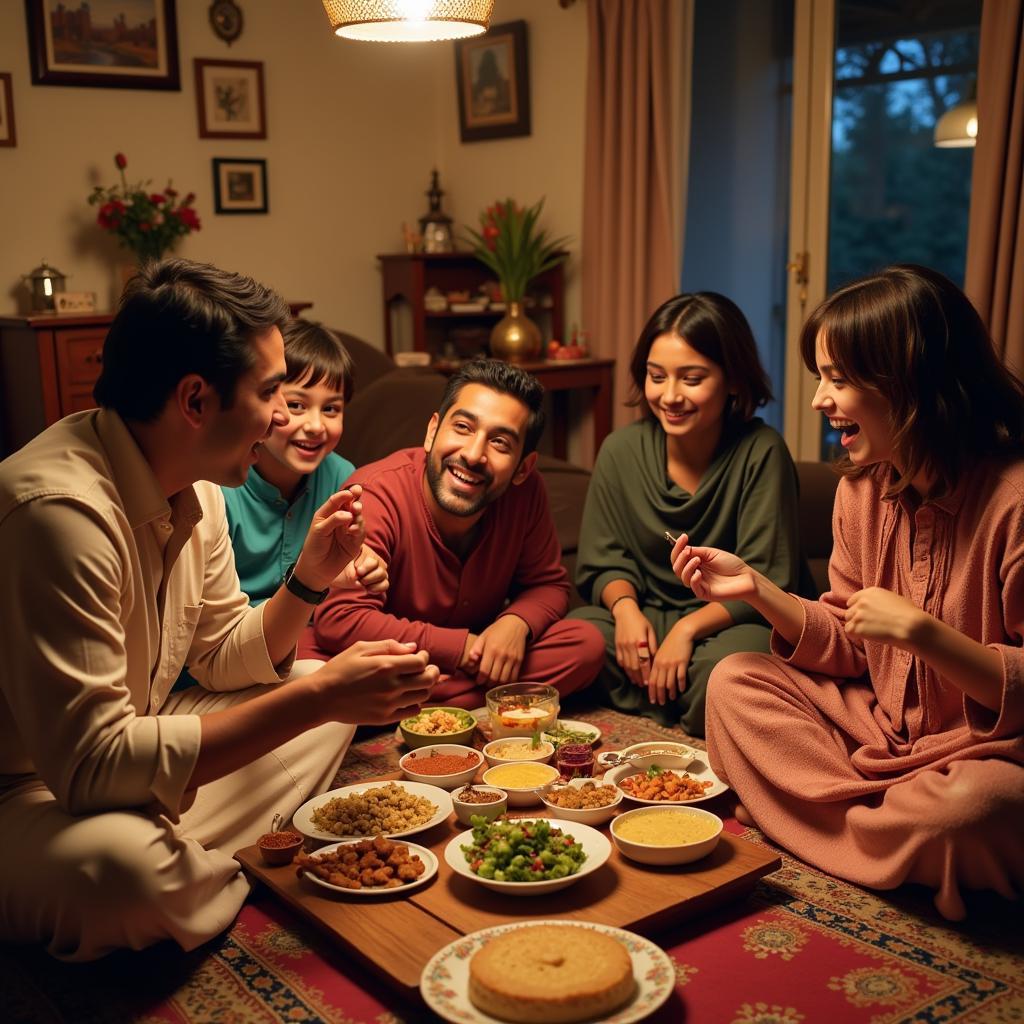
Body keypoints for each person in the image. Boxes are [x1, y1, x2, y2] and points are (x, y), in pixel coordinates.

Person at [0, 258, 439, 961]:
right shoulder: (58, 513)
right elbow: (87, 767)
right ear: (196, 401)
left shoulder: (195, 483)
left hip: (137, 743)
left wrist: (308, 582)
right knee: (127, 875)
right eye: (270, 392)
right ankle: (204, 863)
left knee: (314, 694)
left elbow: (220, 656)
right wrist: (321, 698)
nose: (280, 415)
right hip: (30, 792)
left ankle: (189, 852)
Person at [672, 265, 1024, 920]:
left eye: (837, 379)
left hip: (985, 756)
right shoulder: (859, 491)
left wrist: (924, 634)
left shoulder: (1014, 501)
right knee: (735, 681)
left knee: (972, 808)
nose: (817, 399)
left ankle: (825, 824)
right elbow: (848, 648)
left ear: (908, 383)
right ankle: (891, 841)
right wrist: (757, 590)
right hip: (879, 735)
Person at [569, 293, 810, 735]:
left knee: (731, 671)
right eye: (656, 377)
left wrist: (686, 631)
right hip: (643, 614)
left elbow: (767, 577)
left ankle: (687, 697)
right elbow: (604, 560)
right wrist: (623, 611)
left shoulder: (762, 452)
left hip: (732, 622)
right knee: (576, 636)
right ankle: (668, 689)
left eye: (692, 378)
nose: (671, 396)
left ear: (733, 380)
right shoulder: (620, 450)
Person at [303, 358, 605, 707]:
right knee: (310, 670)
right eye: (463, 427)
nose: (474, 454)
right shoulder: (374, 494)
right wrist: (462, 648)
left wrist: (516, 623)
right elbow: (341, 620)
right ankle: (477, 702)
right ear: (432, 431)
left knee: (585, 644)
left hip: (463, 664)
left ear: (523, 468)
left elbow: (549, 585)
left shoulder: (526, 492)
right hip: (394, 661)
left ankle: (416, 708)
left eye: (500, 443)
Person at [222, 318, 387, 604]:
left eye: (331, 409)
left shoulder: (342, 478)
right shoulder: (222, 486)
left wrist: (359, 564)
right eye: (297, 405)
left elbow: (340, 585)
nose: (315, 426)